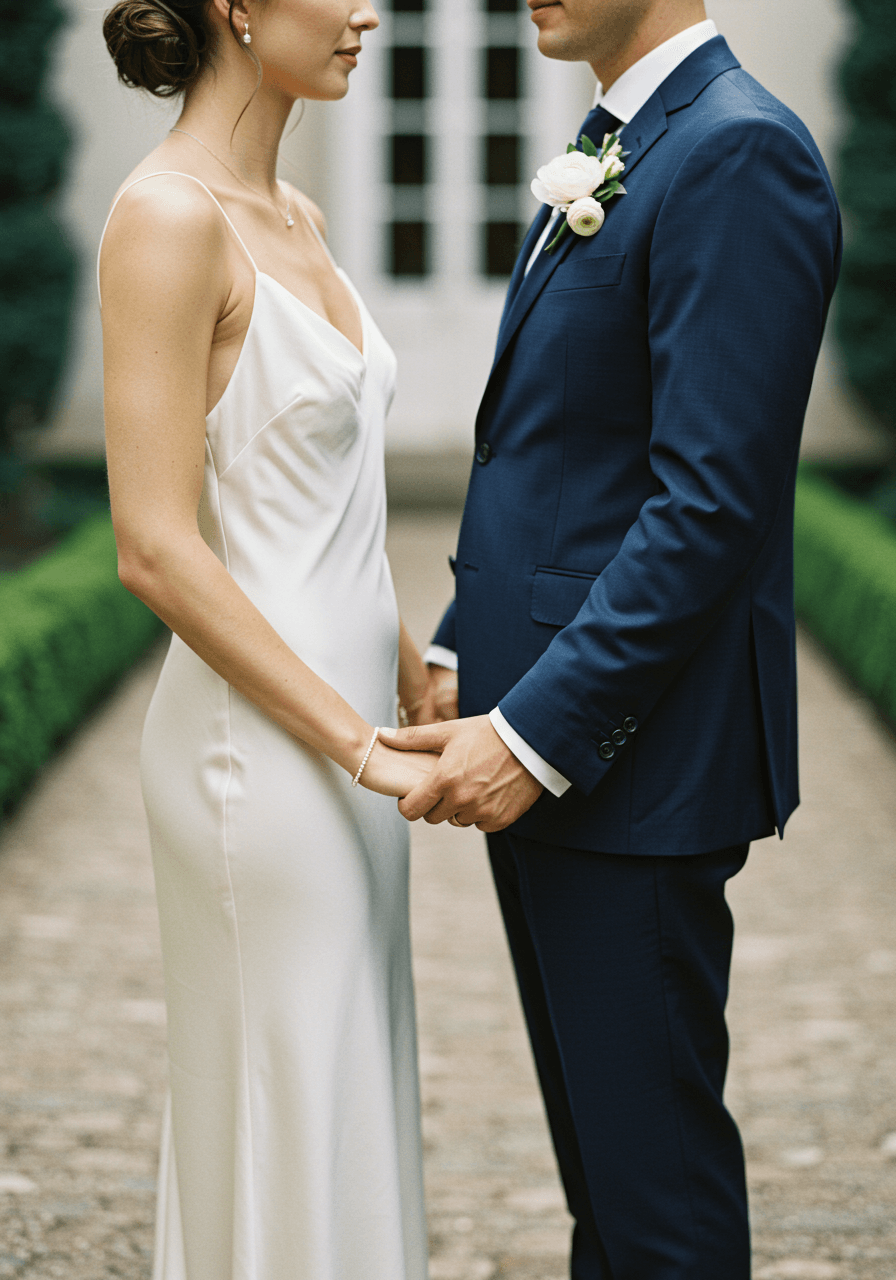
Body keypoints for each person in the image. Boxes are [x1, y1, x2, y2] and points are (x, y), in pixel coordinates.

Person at [385, 1, 842, 1275]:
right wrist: (467, 647)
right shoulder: (622, 137)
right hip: (547, 737)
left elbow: (709, 504)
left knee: (656, 1201)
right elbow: (560, 446)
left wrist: (530, 735)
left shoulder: (738, 152)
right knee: (603, 1178)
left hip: (628, 762)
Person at [97, 1, 435, 1276]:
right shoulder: (168, 218)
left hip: (352, 733)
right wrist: (359, 744)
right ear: (235, 4)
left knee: (346, 1086)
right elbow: (156, 544)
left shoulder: (301, 219)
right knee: (289, 1096)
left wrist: (410, 666)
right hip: (261, 756)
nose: (364, 11)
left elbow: (310, 502)